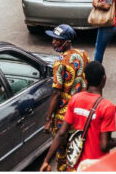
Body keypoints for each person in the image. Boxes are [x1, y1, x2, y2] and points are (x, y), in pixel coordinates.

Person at [41, 61, 116, 172]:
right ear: (104, 79)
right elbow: (104, 145)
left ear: (85, 80)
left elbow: (61, 134)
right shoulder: (107, 107)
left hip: (76, 167)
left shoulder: (75, 99)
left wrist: (46, 161)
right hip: (96, 167)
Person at [44, 23, 89, 164]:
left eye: (57, 40)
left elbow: (56, 93)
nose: (53, 42)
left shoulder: (59, 63)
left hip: (64, 115)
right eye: (53, 39)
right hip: (82, 111)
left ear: (67, 41)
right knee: (78, 149)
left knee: (62, 153)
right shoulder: (83, 54)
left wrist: (48, 119)